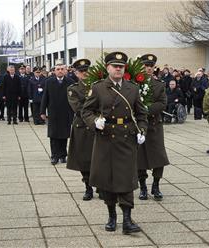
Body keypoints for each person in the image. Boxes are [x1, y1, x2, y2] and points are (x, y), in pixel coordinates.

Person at [82, 52, 147, 234]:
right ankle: (112, 216)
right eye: (114, 66)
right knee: (107, 179)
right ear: (108, 68)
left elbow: (141, 114)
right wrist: (95, 121)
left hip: (126, 139)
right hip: (105, 138)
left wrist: (142, 130)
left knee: (126, 178)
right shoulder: (98, 88)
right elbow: (86, 111)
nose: (118, 69)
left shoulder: (132, 89)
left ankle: (127, 219)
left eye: (121, 66)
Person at [137, 54, 169, 201]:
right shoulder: (133, 84)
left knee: (159, 156)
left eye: (151, 66)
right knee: (139, 158)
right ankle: (142, 186)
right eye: (146, 66)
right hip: (139, 126)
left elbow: (162, 103)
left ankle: (156, 185)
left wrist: (146, 109)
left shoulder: (159, 84)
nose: (149, 68)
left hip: (154, 125)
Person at [66, 59, 96, 201]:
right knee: (84, 158)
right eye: (81, 71)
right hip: (82, 126)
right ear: (76, 73)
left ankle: (101, 186)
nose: (85, 73)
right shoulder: (73, 89)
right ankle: (88, 187)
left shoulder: (98, 86)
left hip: (97, 125)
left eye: (86, 70)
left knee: (99, 157)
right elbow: (78, 108)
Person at [40, 64, 74, 165]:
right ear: (54, 71)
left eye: (62, 69)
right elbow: (45, 97)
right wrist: (42, 111)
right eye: (58, 69)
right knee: (53, 135)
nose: (60, 71)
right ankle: (54, 156)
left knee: (64, 135)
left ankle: (63, 155)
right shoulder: (49, 82)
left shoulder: (70, 82)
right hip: (53, 112)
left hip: (66, 112)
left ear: (65, 71)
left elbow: (73, 99)